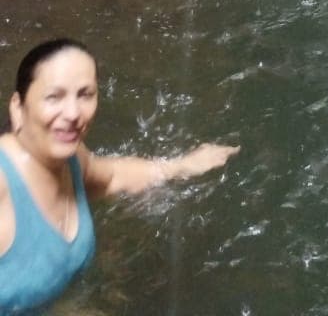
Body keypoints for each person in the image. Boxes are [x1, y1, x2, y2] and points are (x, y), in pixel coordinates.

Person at [0, 38, 239, 314]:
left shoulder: (72, 160)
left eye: (85, 94)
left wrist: (181, 166)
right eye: (54, 97)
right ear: (18, 108)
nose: (73, 113)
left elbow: (113, 175)